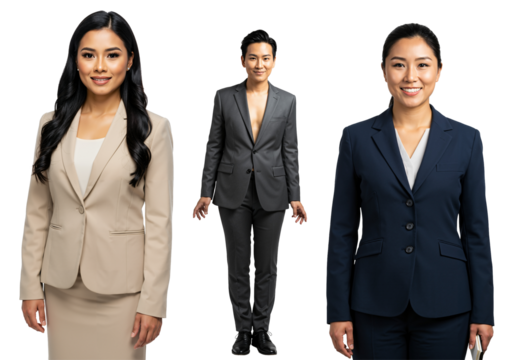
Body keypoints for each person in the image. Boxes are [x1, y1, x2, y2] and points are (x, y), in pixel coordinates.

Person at [325, 22, 496, 359]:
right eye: (399, 64)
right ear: (383, 71)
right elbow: (342, 231)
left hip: (447, 302)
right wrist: (336, 310)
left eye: (422, 64)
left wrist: (484, 312)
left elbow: (477, 232)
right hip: (373, 302)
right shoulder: (356, 138)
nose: (410, 76)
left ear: (439, 71)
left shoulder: (467, 139)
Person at [18, 10, 174, 360]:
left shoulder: (154, 129)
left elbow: (161, 223)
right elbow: (37, 212)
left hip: (123, 293)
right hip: (60, 288)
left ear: (130, 61)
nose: (100, 66)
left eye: (112, 55)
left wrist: (154, 301)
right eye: (89, 55)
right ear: (76, 61)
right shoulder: (50, 125)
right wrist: (29, 286)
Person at [191, 29, 309, 356]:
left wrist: (295, 196)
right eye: (253, 57)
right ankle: (242, 330)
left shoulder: (288, 100)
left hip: (273, 190)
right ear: (242, 61)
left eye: (266, 58)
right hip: (231, 191)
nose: (260, 64)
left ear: (275, 63)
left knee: (269, 264)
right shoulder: (223, 96)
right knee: (238, 263)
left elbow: (291, 150)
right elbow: (213, 146)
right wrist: (205, 192)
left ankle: (263, 329)